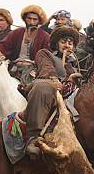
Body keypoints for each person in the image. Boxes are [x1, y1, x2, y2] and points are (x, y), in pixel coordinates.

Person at [23, 26, 81, 158]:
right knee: (43, 86)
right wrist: (54, 79)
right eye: (63, 42)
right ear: (56, 43)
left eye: (70, 43)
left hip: (69, 96)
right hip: (49, 87)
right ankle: (33, 137)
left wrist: (71, 80)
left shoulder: (74, 65)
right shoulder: (45, 53)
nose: (67, 45)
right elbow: (46, 69)